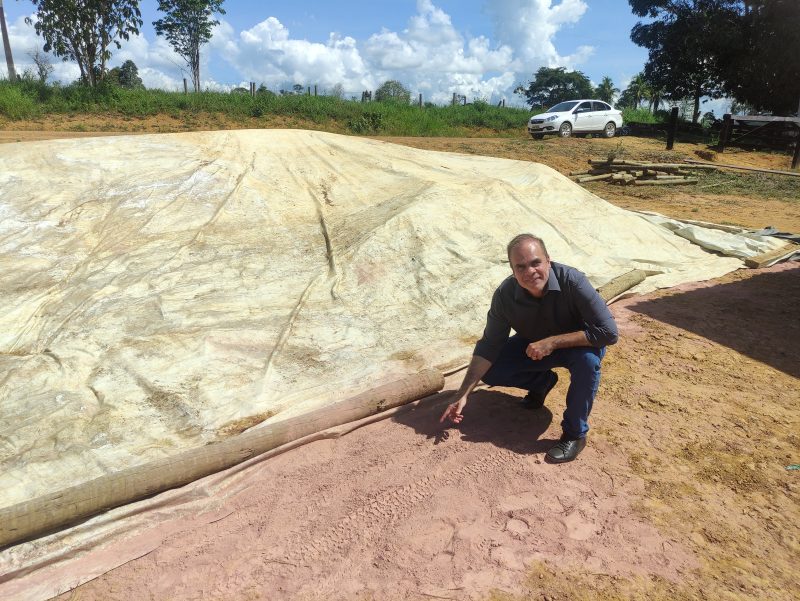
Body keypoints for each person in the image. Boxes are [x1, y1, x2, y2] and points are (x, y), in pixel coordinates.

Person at [439, 233, 618, 463]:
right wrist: (462, 394)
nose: (530, 271)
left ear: (548, 261)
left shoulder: (572, 281)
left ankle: (575, 434)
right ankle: (541, 383)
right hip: (533, 344)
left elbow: (608, 332)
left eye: (536, 263)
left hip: (578, 344)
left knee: (588, 363)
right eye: (520, 266)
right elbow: (489, 346)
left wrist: (552, 342)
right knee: (493, 368)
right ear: (512, 270)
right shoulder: (505, 295)